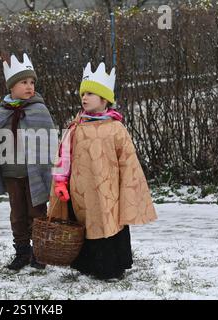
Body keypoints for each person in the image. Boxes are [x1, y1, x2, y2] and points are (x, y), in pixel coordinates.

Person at [49, 61, 157, 280]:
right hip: (81, 193)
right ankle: (87, 265)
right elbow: (64, 156)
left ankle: (111, 267)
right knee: (86, 226)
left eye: (90, 93)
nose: (84, 97)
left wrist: (128, 188)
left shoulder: (116, 129)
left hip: (110, 193)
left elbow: (128, 162)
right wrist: (61, 182)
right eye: (83, 93)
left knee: (109, 225)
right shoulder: (76, 127)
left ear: (104, 99)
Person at [0, 53, 56, 271]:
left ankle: (39, 252)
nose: (29, 86)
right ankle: (22, 251)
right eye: (23, 82)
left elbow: (50, 140)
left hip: (35, 173)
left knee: (37, 213)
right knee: (17, 215)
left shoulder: (39, 109)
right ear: (11, 87)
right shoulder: (0, 113)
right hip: (11, 174)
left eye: (32, 82)